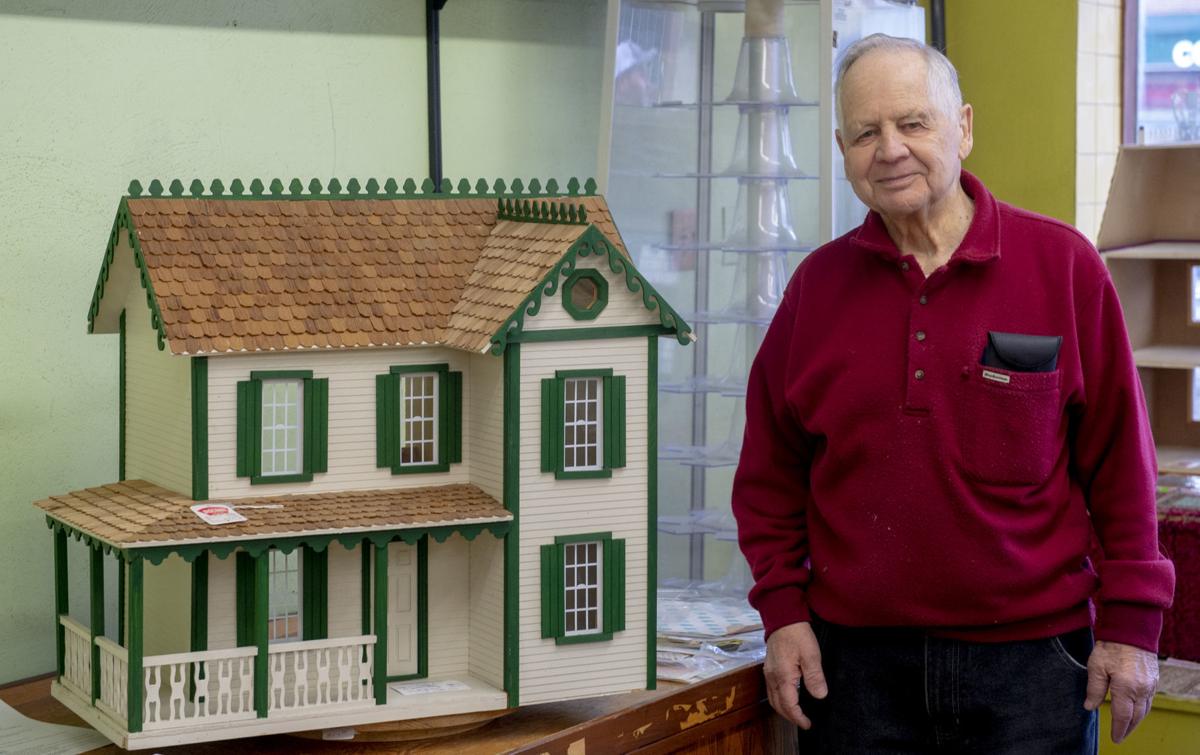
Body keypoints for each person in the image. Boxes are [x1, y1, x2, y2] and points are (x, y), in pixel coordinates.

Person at [731, 34, 1175, 753]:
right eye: (866, 133)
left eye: (913, 123)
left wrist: (1132, 627)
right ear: (842, 149)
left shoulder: (1065, 268)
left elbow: (1124, 465)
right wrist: (782, 613)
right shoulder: (816, 289)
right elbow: (767, 477)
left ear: (963, 126)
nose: (891, 149)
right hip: (853, 674)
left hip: (1035, 667)